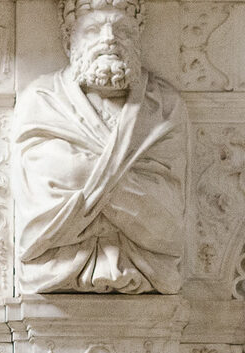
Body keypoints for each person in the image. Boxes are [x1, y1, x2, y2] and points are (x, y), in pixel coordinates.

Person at [12, 0, 185, 294]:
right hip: (53, 272)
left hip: (149, 270)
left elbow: (167, 220)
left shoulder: (164, 105)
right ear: (69, 40)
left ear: (137, 38)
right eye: (93, 30)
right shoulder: (41, 100)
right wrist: (130, 188)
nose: (109, 39)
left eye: (122, 30)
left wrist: (80, 176)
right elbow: (39, 209)